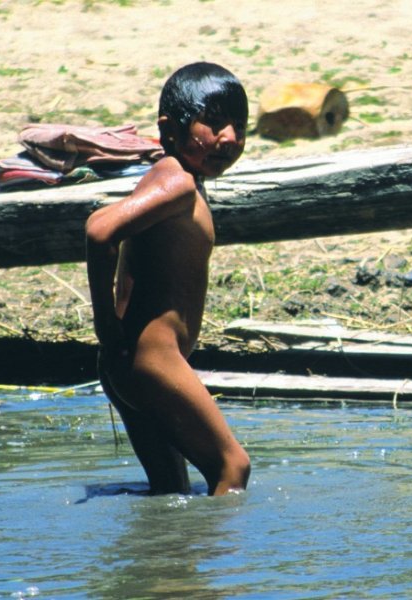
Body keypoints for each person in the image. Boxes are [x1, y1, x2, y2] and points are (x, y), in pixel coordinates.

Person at [85, 62, 251, 496]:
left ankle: (162, 561)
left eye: (239, 125)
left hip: (126, 365)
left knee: (170, 489)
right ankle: (224, 565)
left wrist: (113, 341)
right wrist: (105, 324)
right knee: (232, 467)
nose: (229, 138)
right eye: (213, 123)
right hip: (153, 361)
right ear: (170, 130)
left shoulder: (172, 176)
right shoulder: (177, 183)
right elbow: (100, 230)